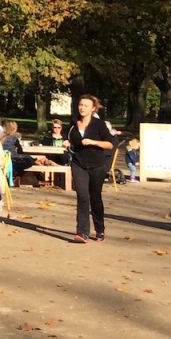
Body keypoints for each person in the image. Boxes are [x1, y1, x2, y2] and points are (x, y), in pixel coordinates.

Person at [67, 95, 116, 243]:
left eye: (86, 105)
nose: (82, 108)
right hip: (78, 164)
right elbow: (68, 137)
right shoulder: (73, 122)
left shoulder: (99, 124)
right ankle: (82, 233)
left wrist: (94, 142)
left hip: (97, 164)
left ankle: (100, 229)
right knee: (82, 196)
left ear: (93, 108)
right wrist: (66, 142)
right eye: (80, 105)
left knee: (95, 197)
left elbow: (110, 144)